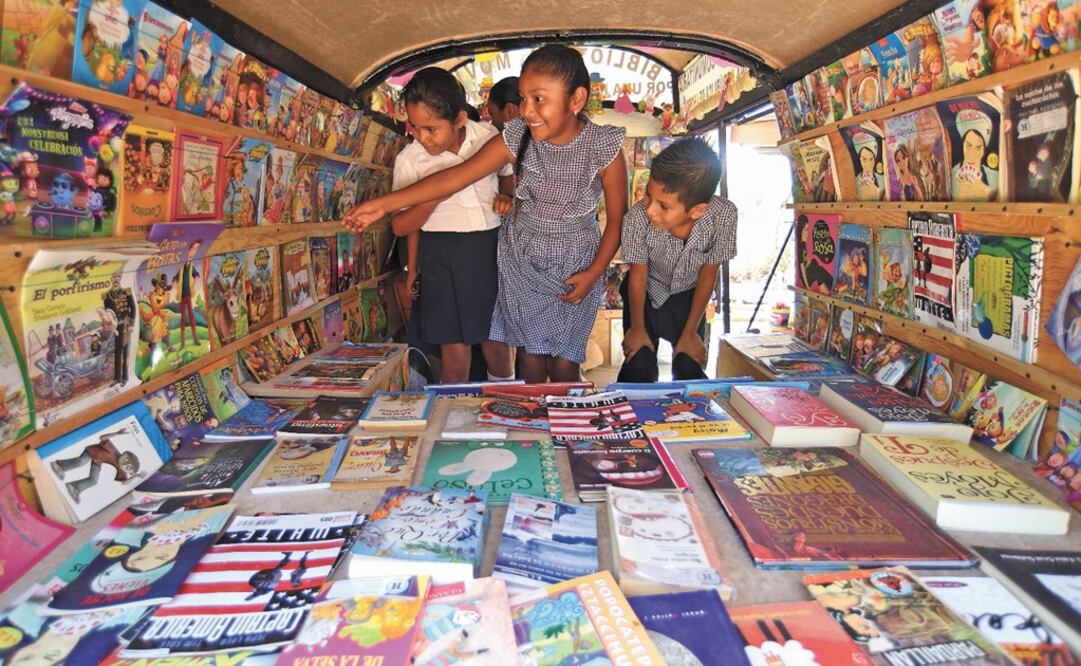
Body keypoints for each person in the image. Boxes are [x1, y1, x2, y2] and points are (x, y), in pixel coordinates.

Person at [345, 45, 628, 383]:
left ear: (576, 100)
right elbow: (456, 176)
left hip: (577, 262)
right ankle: (536, 430)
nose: (527, 110)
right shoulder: (517, 136)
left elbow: (617, 220)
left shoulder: (603, 146)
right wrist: (384, 204)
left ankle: (565, 426)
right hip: (522, 257)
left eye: (539, 99)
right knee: (530, 358)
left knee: (566, 363)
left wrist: (595, 272)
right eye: (523, 99)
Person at [616, 138, 735, 382]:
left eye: (664, 206)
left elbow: (709, 273)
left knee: (688, 367)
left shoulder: (723, 216)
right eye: (649, 195)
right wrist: (637, 329)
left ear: (697, 210)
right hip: (645, 294)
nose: (650, 210)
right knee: (638, 365)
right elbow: (638, 275)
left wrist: (690, 331)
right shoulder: (636, 218)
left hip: (690, 297)